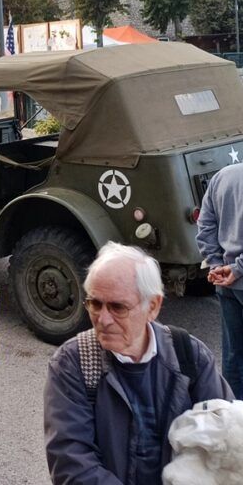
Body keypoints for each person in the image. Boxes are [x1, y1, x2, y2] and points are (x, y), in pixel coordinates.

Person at [44, 242, 233, 485]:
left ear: (152, 306)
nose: (102, 319)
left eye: (117, 307)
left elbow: (226, 438)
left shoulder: (189, 355)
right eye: (95, 303)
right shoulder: (73, 363)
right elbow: (71, 464)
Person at [197, 162, 243, 397]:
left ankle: (234, 413)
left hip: (225, 281)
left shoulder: (222, 176)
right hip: (235, 274)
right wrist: (238, 268)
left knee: (234, 354)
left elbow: (205, 225)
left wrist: (217, 265)